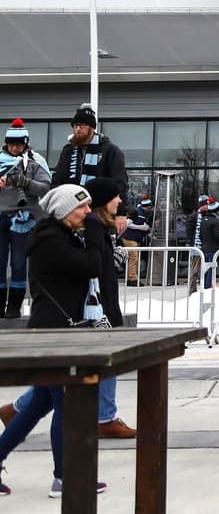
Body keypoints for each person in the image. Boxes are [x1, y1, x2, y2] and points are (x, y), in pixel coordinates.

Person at [0, 184, 108, 499]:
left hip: (58, 331)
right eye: (82, 207)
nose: (88, 213)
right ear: (63, 211)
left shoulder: (62, 237)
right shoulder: (50, 241)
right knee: (66, 403)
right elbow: (92, 265)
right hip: (53, 334)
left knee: (39, 404)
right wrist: (95, 233)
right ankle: (66, 476)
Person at [83, 178, 136, 439]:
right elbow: (93, 268)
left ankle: (18, 408)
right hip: (100, 306)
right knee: (105, 361)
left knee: (98, 364)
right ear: (104, 200)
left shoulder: (102, 226)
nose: (120, 201)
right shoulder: (94, 224)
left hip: (105, 301)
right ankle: (105, 417)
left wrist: (114, 253)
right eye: (116, 197)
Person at [0, 118, 51, 318]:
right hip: (1, 216)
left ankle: (14, 305)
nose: (14, 148)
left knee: (19, 262)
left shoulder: (35, 161)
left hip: (23, 217)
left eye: (18, 144)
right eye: (11, 144)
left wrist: (25, 182)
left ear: (25, 143)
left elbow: (45, 187)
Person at [51, 104, 127, 194]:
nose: (78, 129)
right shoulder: (68, 151)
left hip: (99, 201)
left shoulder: (110, 150)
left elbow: (120, 184)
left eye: (82, 125)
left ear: (91, 128)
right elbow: (57, 179)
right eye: (75, 125)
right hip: (71, 201)